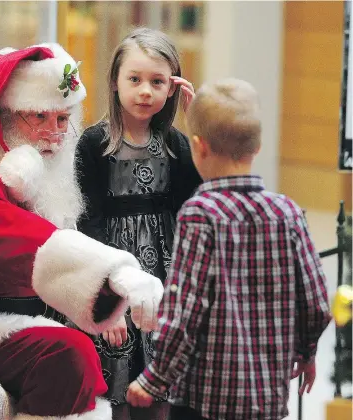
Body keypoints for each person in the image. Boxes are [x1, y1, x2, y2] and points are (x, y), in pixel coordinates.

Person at [0, 43, 165, 420]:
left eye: (62, 120)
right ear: (3, 114)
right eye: (39, 116)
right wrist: (114, 274)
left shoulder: (21, 164)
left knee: (92, 353)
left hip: (12, 316)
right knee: (66, 355)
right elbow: (16, 238)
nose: (54, 135)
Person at [126, 78, 332, 420]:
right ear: (258, 147)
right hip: (265, 400)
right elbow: (316, 301)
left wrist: (155, 379)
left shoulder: (200, 214)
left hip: (203, 403)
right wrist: (306, 352)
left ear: (199, 147)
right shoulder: (288, 213)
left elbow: (185, 311)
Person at [75, 28, 202, 420]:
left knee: (160, 379)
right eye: (135, 79)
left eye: (158, 82)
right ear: (115, 82)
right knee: (118, 378)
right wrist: (107, 301)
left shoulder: (177, 144)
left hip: (163, 275)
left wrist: (194, 120)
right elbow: (87, 223)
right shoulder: (94, 143)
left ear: (172, 88)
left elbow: (196, 204)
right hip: (114, 272)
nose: (145, 91)